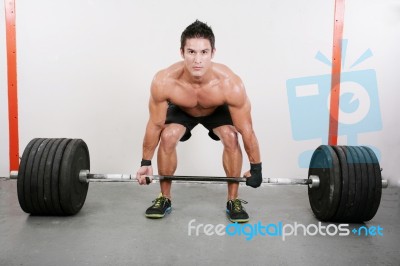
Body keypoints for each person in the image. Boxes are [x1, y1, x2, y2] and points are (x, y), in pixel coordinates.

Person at [136, 20, 262, 223]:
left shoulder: (230, 84)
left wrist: (257, 168)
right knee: (167, 136)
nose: (197, 59)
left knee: (231, 136)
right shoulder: (164, 81)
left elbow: (246, 130)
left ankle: (233, 200)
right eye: (191, 52)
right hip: (183, 108)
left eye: (204, 52)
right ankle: (164, 198)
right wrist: (145, 162)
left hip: (215, 109)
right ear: (182, 52)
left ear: (212, 52)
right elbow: (155, 124)